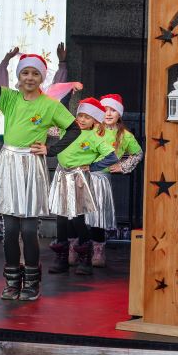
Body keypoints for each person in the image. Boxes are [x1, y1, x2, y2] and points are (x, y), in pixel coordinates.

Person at [0, 43, 80, 302]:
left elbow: (74, 129)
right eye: (25, 73)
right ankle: (12, 281)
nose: (29, 78)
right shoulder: (9, 98)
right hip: (9, 163)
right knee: (10, 229)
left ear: (41, 78)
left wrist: (49, 149)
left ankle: (32, 282)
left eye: (35, 74)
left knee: (28, 230)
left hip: (30, 165)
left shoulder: (50, 105)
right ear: (18, 75)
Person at [47, 98, 119, 275]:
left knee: (78, 217)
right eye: (80, 115)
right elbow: (53, 119)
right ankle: (62, 257)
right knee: (61, 217)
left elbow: (112, 157)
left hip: (78, 178)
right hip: (62, 175)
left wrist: (93, 166)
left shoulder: (94, 137)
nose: (82, 119)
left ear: (95, 120)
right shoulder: (67, 130)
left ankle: (85, 257)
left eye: (87, 117)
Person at [87, 93, 143, 268]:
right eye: (105, 110)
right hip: (83, 175)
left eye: (113, 110)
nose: (109, 113)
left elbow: (138, 153)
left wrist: (123, 166)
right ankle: (75, 248)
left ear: (119, 114)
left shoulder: (125, 135)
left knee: (97, 217)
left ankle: (98, 250)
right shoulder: (93, 128)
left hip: (101, 179)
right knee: (78, 216)